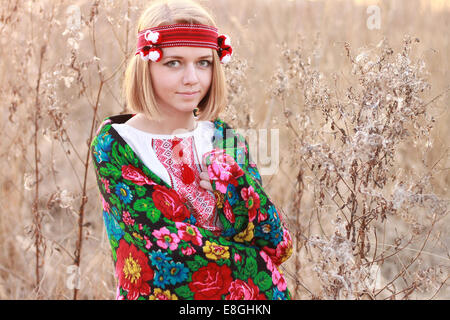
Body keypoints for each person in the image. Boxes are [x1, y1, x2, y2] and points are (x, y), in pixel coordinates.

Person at [90, 0, 293, 300]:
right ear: (146, 64)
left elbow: (278, 242)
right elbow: (171, 255)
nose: (192, 78)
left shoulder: (223, 137)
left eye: (203, 63)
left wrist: (236, 190)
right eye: (174, 63)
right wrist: (259, 267)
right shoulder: (116, 146)